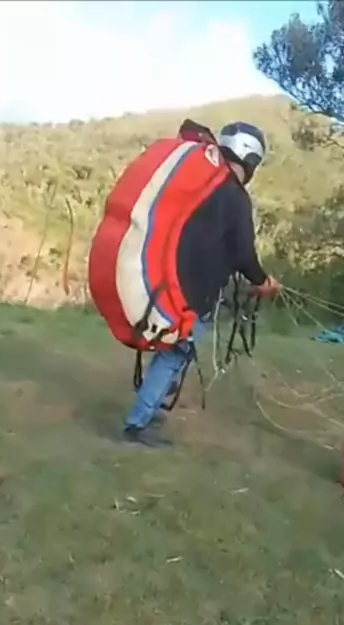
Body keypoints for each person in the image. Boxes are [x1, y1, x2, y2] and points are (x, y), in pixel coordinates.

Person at [122, 119, 282, 448]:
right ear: (250, 159)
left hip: (169, 280)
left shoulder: (203, 187)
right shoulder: (234, 196)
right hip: (194, 291)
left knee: (172, 352)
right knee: (174, 354)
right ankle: (137, 424)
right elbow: (242, 252)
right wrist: (262, 281)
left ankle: (149, 408)